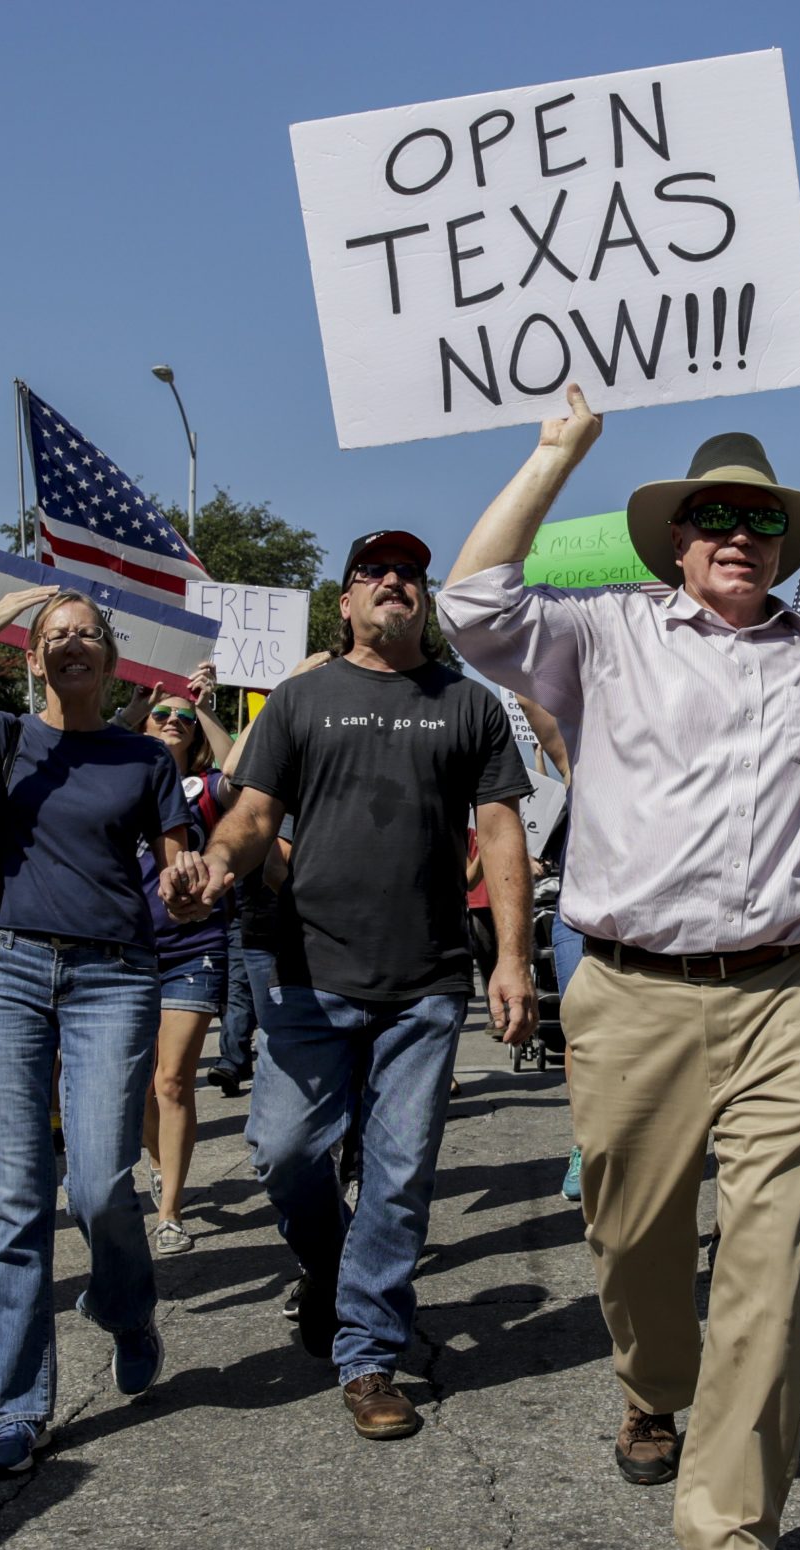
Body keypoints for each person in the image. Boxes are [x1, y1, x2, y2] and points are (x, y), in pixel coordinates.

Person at [440, 386, 800, 1550]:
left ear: (783, 544)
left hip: (786, 997)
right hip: (633, 995)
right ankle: (655, 1387)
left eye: (758, 520)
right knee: (634, 1240)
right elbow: (471, 605)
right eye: (712, 517)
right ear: (676, 538)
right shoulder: (602, 636)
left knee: (773, 1266)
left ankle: (730, 1537)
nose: (735, 535)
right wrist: (554, 456)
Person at [196, 529, 534, 1445]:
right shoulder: (300, 700)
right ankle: (335, 1264)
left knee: (397, 1176)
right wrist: (219, 862)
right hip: (307, 974)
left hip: (424, 981)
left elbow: (500, 830)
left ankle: (369, 1354)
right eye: (374, 573)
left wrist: (512, 957)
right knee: (281, 1149)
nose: (395, 583)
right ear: (343, 603)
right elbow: (254, 814)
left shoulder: (468, 704)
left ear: (423, 599)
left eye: (409, 575)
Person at [0, 585, 201, 1475]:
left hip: (112, 974)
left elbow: (176, 861)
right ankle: (17, 1407)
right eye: (54, 636)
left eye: (87, 635)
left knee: (101, 1184)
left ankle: (126, 1305)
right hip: (3, 969)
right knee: (17, 1198)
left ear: (109, 658)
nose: (72, 644)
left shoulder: (143, 758)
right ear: (34, 659)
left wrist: (185, 883)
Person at [130, 666, 238, 1253]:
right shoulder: (114, 777)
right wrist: (133, 706)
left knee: (173, 1080)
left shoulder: (204, 789)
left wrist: (207, 708)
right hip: (126, 949)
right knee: (144, 1086)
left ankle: (169, 1210)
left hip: (192, 948)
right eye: (161, 714)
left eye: (182, 719)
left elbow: (240, 771)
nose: (173, 722)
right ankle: (157, 1161)